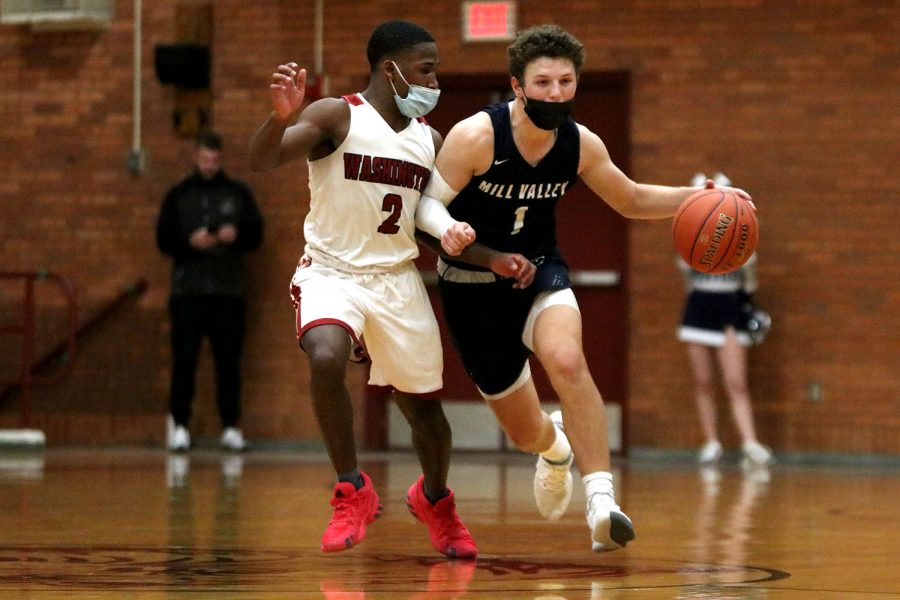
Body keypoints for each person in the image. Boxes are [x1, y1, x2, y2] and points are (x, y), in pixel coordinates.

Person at [413, 24, 753, 552]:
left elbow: (632, 198)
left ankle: (602, 502)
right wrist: (452, 232)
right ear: (517, 85)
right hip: (473, 287)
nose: (555, 93)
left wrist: (706, 197)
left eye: (566, 82)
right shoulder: (476, 136)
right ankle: (554, 450)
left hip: (541, 272)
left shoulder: (578, 144)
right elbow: (426, 207)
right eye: (543, 82)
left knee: (567, 361)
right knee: (524, 433)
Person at [248, 20, 480, 558]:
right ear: (389, 68)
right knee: (325, 354)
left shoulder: (431, 140)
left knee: (426, 416)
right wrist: (277, 119)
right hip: (331, 270)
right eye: (426, 68)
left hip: (396, 279)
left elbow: (426, 218)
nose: (435, 79)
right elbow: (263, 160)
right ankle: (352, 487)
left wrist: (463, 239)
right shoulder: (337, 114)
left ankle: (435, 499)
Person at [157, 131, 263, 453]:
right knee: (184, 360)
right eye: (204, 159)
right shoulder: (178, 195)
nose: (209, 165)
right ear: (196, 157)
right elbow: (163, 239)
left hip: (228, 292)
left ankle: (230, 427)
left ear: (221, 159)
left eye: (214, 160)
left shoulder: (238, 193)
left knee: (228, 362)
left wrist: (236, 236)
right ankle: (180, 426)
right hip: (187, 292)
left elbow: (256, 235)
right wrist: (189, 243)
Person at [678, 173, 773, 467]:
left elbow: (751, 286)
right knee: (703, 380)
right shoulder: (688, 236)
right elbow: (688, 282)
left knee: (736, 381)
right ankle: (711, 442)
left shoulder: (743, 238)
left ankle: (749, 442)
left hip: (730, 307)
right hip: (699, 307)